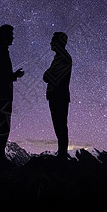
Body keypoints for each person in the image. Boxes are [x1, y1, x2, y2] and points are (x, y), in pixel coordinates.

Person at [0, 24, 24, 169]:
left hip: (1, 94)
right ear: (4, 36)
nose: (13, 37)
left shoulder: (1, 52)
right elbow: (2, 76)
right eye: (11, 34)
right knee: (1, 126)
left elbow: (2, 75)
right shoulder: (1, 52)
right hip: (2, 95)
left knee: (1, 125)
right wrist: (14, 75)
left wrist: (12, 75)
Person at [43, 32, 72, 160]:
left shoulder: (63, 58)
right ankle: (62, 155)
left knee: (60, 126)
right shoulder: (59, 58)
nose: (51, 43)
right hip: (56, 95)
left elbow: (49, 77)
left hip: (59, 95)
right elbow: (48, 76)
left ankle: (62, 156)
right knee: (59, 126)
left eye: (53, 40)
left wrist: (48, 74)